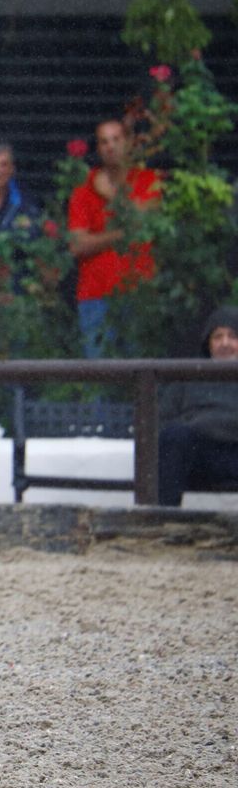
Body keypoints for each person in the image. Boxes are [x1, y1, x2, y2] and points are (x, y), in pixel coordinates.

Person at [67, 118, 160, 358]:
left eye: (116, 139)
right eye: (104, 142)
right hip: (95, 295)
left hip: (139, 293)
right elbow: (77, 245)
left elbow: (150, 219)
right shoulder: (83, 189)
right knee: (99, 379)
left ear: (128, 143)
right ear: (98, 150)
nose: (111, 146)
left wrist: (99, 235)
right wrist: (122, 233)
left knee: (142, 377)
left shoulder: (148, 181)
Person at [156, 305, 238, 505]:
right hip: (200, 457)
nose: (224, 343)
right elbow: (162, 421)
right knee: (174, 437)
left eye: (232, 336)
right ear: (208, 343)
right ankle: (163, 522)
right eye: (217, 337)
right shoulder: (190, 376)